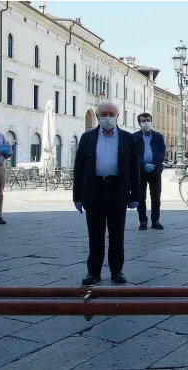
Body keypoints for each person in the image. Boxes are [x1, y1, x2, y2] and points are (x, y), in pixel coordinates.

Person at [73, 101, 139, 285]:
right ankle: (93, 272)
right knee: (95, 234)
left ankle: (117, 271)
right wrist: (77, 197)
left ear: (117, 116)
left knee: (117, 234)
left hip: (118, 190)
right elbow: (78, 169)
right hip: (94, 190)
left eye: (111, 114)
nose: (108, 117)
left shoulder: (127, 138)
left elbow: (134, 168)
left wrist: (135, 195)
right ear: (97, 117)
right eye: (104, 114)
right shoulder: (87, 138)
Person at [133, 113, 166, 231]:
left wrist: (155, 164)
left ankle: (155, 220)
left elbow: (162, 152)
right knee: (140, 197)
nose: (146, 123)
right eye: (143, 121)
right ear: (139, 123)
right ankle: (143, 221)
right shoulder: (134, 137)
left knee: (156, 197)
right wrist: (143, 164)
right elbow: (134, 154)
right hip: (140, 171)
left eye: (148, 120)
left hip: (155, 170)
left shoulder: (158, 136)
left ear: (151, 121)